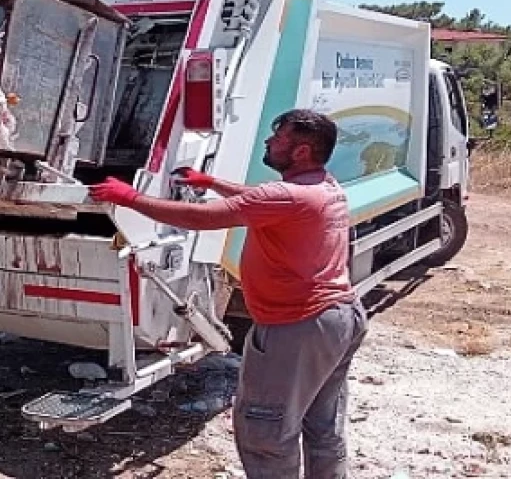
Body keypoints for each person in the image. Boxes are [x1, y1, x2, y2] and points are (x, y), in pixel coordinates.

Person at [89, 109, 367, 479]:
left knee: (266, 433)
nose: (269, 142)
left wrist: (129, 197)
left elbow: (204, 219)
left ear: (301, 151)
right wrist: (213, 181)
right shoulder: (324, 187)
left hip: (297, 328)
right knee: (322, 426)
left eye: (278, 137)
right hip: (340, 318)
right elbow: (259, 198)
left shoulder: (286, 196)